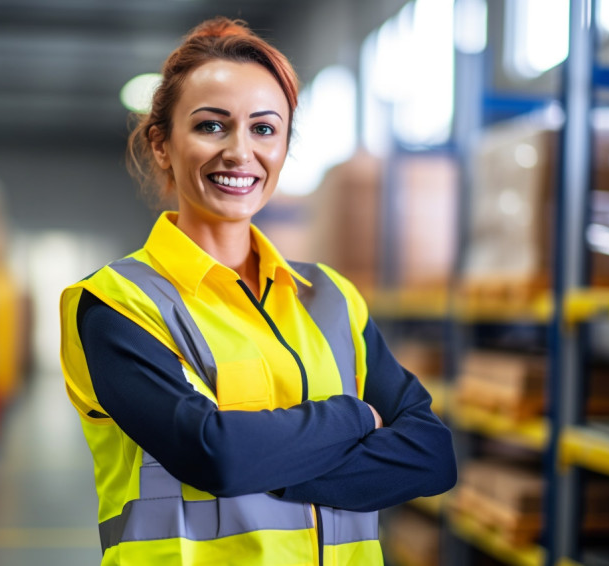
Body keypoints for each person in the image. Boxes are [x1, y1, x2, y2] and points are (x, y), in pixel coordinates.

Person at [60, 16, 456, 566]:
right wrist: (358, 418)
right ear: (161, 145)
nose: (240, 152)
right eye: (211, 126)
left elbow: (432, 457)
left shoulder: (331, 297)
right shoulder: (117, 304)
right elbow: (215, 454)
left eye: (264, 129)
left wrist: (266, 461)